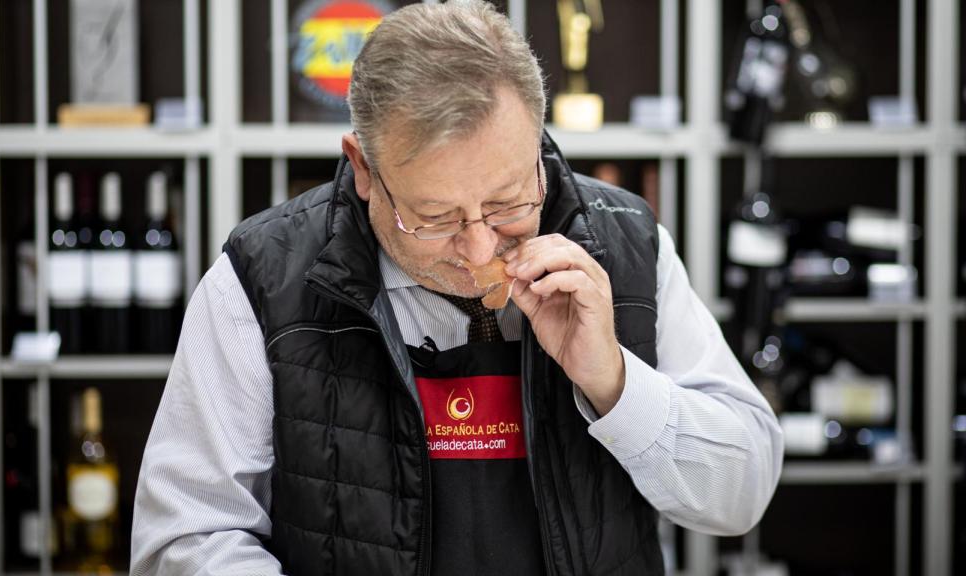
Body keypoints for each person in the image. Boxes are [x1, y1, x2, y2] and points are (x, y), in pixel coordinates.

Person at [130, 2, 783, 575]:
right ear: (363, 168)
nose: (477, 251)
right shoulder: (263, 278)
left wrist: (613, 380)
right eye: (434, 218)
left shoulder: (627, 246)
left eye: (507, 203)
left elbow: (742, 495)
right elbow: (186, 540)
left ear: (536, 149)